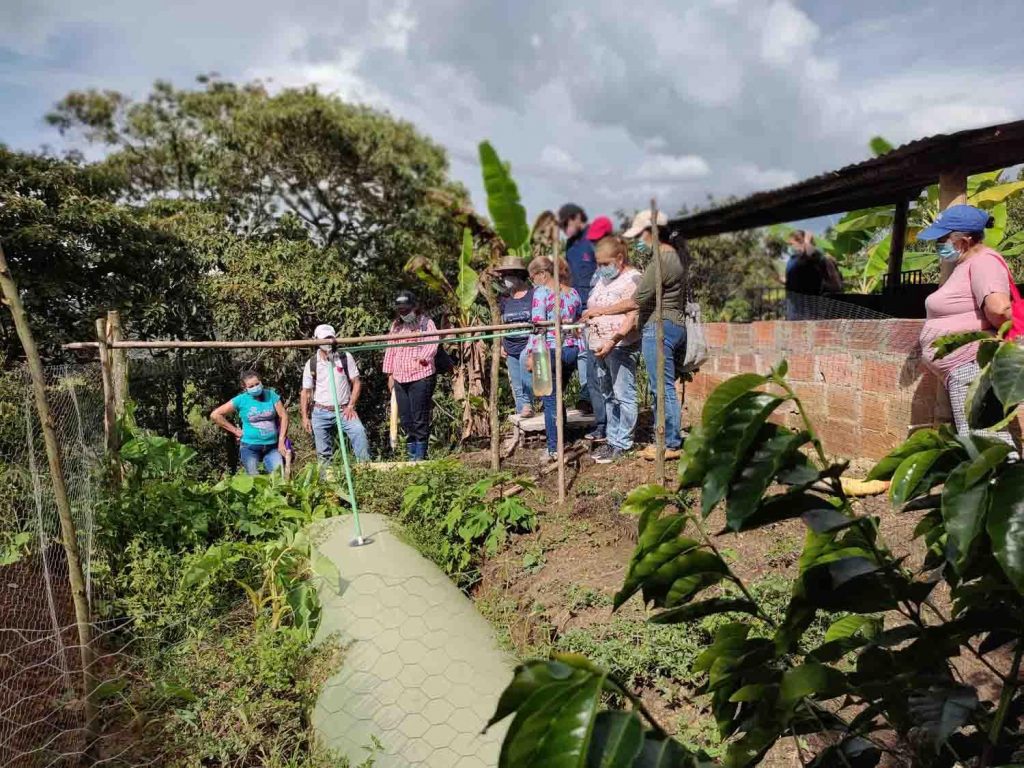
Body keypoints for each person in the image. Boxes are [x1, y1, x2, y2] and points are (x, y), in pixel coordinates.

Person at [582, 209, 687, 458]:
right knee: (658, 387)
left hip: (659, 326)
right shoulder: (668, 258)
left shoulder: (662, 260)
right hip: (661, 325)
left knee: (659, 388)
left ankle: (669, 442)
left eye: (640, 235)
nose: (639, 241)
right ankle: (665, 439)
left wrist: (602, 313)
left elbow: (636, 301)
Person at [917, 204, 1018, 454]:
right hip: (963, 369)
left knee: (983, 441)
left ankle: (1007, 489)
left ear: (964, 240)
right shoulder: (965, 265)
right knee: (979, 438)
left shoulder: (984, 262)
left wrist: (996, 340)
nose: (938, 244)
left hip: (973, 366)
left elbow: (1000, 308)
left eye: (943, 238)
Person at [585, 236, 641, 463]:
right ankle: (612, 439)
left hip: (620, 346)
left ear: (619, 258)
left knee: (623, 394)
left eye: (605, 263)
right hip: (599, 346)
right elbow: (595, 307)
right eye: (598, 264)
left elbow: (633, 313)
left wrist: (612, 341)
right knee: (608, 394)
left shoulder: (633, 279)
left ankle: (624, 443)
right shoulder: (602, 280)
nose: (601, 268)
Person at [525, 255, 582, 463]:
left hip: (548, 349)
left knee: (550, 400)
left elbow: (538, 326)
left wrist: (531, 353)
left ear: (542, 274)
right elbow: (577, 321)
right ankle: (562, 440)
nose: (533, 282)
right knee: (559, 397)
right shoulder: (573, 293)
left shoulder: (541, 293)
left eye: (533, 277)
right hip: (571, 350)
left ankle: (553, 448)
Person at [300, 324, 371, 465]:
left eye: (329, 338)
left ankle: (365, 470)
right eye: (323, 339)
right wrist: (304, 416)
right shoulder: (312, 363)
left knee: (359, 433)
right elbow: (305, 391)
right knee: (323, 451)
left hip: (344, 409)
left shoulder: (345, 357)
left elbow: (356, 382)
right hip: (320, 411)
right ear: (316, 340)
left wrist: (351, 405)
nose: (327, 342)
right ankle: (327, 480)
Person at [383, 290, 439, 461]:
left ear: (415, 307)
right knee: (406, 419)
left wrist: (423, 356)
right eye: (401, 310)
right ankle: (411, 455)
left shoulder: (425, 323)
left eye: (406, 310)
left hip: (420, 376)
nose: (403, 313)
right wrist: (390, 374)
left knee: (419, 418)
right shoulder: (396, 326)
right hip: (400, 377)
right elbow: (390, 349)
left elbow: (433, 341)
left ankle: (420, 457)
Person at [211, 370, 289, 476]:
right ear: (245, 388)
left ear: (261, 382)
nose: (255, 387)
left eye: (257, 384)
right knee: (254, 479)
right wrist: (235, 431)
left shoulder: (271, 395)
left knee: (279, 477)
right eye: (251, 386)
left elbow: (284, 416)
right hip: (250, 447)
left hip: (272, 446)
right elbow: (215, 415)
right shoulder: (241, 400)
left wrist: (281, 441)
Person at [558, 203, 596, 414]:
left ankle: (587, 397)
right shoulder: (570, 245)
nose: (564, 229)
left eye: (566, 224)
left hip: (593, 306)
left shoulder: (594, 239)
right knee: (576, 351)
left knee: (589, 354)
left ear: (578, 217)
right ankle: (580, 397)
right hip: (573, 308)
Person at [495, 256, 535, 417]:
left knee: (529, 382)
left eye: (508, 275)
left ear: (519, 275)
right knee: (517, 386)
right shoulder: (504, 299)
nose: (505, 279)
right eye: (503, 276)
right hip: (511, 347)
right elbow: (502, 322)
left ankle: (529, 406)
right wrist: (500, 344)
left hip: (528, 345)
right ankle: (523, 414)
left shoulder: (533, 295)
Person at [783, 230, 841, 319]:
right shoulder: (792, 261)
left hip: (813, 312)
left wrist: (807, 242)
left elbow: (836, 285)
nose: (791, 248)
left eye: (792, 244)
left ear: (800, 242)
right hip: (795, 311)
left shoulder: (819, 259)